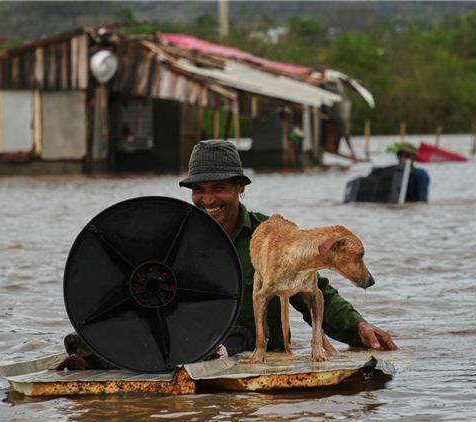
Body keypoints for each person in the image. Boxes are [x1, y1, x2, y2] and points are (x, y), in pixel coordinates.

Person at [61, 140, 396, 369]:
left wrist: (358, 328)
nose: (209, 200)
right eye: (199, 190)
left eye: (219, 188)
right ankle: (88, 354)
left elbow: (316, 290)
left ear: (240, 187)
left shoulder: (272, 237)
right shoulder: (174, 239)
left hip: (255, 352)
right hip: (195, 344)